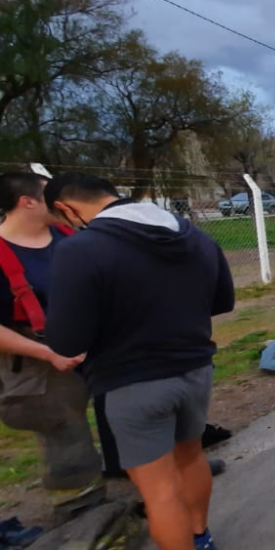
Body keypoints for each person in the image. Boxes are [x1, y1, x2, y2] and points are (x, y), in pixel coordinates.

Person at [42, 173, 236, 550]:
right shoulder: (192, 234)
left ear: (66, 208)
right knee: (191, 457)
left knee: (159, 491)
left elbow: (66, 341)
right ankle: (201, 536)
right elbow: (223, 301)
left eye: (63, 219)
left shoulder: (80, 249)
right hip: (195, 369)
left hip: (131, 382)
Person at [0, 172, 103, 520]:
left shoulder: (68, 237)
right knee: (65, 427)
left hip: (92, 344)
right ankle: (81, 509)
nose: (61, 201)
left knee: (120, 407)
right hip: (37, 361)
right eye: (49, 195)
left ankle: (128, 466)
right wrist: (48, 353)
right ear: (26, 202)